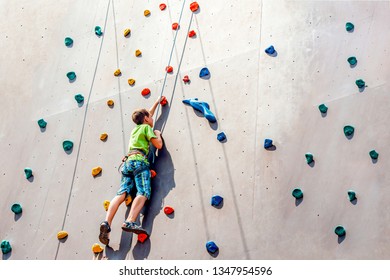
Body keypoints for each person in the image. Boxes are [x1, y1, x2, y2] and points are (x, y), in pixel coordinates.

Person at [99, 97, 163, 245]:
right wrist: (158, 133)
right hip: (140, 162)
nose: (152, 118)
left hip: (127, 163)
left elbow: (147, 114)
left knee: (121, 194)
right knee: (143, 192)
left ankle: (106, 222)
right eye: (150, 117)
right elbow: (158, 145)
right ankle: (130, 221)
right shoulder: (147, 128)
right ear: (146, 119)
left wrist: (156, 102)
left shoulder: (135, 129)